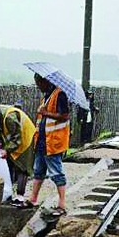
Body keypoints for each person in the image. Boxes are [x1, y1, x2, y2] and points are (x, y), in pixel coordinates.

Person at [24, 73, 70, 217]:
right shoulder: (47, 96)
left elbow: (64, 116)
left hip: (53, 142)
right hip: (42, 141)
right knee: (38, 171)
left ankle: (62, 204)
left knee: (56, 173)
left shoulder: (60, 94)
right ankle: (33, 198)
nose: (38, 86)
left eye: (38, 83)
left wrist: (45, 113)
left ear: (45, 81)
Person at [0, 101, 36, 198]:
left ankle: (20, 196)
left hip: (26, 138)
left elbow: (17, 139)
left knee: (22, 167)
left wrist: (6, 150)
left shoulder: (10, 117)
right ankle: (9, 192)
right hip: (14, 140)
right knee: (9, 164)